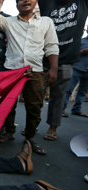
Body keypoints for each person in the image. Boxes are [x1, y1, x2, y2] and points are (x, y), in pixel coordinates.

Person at [0, 0, 59, 155]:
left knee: (35, 107)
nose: (26, 1)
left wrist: (54, 68)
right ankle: (9, 132)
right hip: (12, 71)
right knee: (8, 105)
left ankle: (30, 138)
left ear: (36, 2)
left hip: (35, 71)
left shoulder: (46, 22)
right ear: (16, 4)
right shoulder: (8, 22)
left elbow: (51, 45)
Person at [37, 0, 88, 141]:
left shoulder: (81, 4)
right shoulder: (48, 4)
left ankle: (53, 127)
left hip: (66, 60)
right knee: (35, 94)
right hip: (43, 58)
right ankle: (32, 124)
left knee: (58, 96)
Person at [62, 27, 88, 120]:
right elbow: (72, 54)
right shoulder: (80, 41)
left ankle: (77, 109)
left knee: (82, 92)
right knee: (68, 89)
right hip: (77, 68)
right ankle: (62, 110)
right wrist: (81, 52)